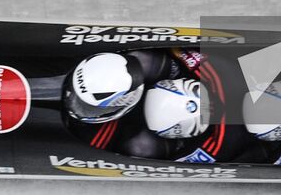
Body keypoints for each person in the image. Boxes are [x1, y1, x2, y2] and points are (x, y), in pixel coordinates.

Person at [65, 48, 258, 162]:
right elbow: (178, 50)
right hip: (158, 89)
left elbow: (181, 160)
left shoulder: (225, 143)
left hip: (147, 130)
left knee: (142, 149)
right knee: (145, 60)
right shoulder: (221, 72)